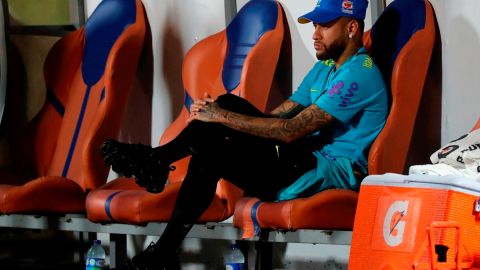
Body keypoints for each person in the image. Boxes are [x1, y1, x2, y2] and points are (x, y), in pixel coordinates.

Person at [104, 0, 388, 268]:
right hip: (299, 160)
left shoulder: (360, 73)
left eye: (324, 25)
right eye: (314, 25)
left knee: (222, 120)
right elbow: (276, 117)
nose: (315, 33)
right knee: (221, 123)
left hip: (326, 173)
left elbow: (291, 130)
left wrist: (220, 117)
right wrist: (218, 118)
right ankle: (162, 243)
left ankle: (156, 165)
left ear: (351, 28)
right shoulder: (325, 68)